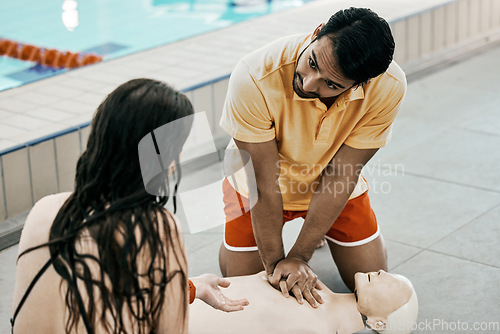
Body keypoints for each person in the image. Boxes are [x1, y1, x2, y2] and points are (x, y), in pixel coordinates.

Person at [11, 78, 247, 334]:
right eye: (176, 149)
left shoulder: (45, 209)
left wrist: (189, 288)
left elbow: (91, 287)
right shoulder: (156, 227)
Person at [218, 7, 407, 306]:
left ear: (361, 84)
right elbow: (264, 183)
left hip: (330, 182)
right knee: (243, 296)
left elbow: (342, 174)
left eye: (331, 85)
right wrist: (277, 267)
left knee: (376, 293)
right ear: (318, 31)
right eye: (312, 62)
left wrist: (299, 256)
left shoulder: (388, 87)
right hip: (256, 185)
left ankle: (314, 229)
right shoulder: (253, 75)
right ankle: (252, 239)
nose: (308, 84)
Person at [189, 270, 418, 334]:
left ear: (379, 323)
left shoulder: (317, 328)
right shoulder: (311, 282)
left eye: (392, 285)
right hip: (182, 295)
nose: (382, 272)